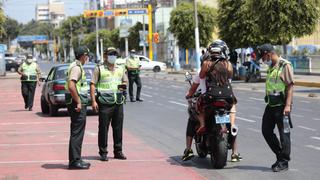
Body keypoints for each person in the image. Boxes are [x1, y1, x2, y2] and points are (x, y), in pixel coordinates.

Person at [199, 39, 242, 162]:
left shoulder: (207, 63)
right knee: (233, 105)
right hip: (227, 95)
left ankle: (202, 125)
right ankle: (232, 125)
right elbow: (230, 75)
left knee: (199, 105)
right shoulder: (227, 63)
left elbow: (201, 76)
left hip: (212, 95)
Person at [257, 44, 294, 172]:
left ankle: (284, 162)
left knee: (284, 135)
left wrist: (288, 106)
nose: (263, 59)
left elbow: (290, 87)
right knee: (266, 130)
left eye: (263, 56)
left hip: (282, 106)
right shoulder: (271, 66)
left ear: (269, 53)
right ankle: (280, 156)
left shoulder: (285, 65)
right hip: (271, 105)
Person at [90, 47, 128, 161]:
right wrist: (93, 101)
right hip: (104, 102)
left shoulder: (120, 68)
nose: (113, 56)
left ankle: (118, 151)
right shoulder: (99, 69)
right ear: (105, 56)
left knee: (118, 128)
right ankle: (103, 152)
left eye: (114, 54)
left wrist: (122, 88)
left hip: (118, 102)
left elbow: (125, 81)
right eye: (110, 54)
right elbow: (92, 84)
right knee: (103, 128)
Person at [65, 46, 91, 170]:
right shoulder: (76, 68)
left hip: (75, 103)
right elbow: (71, 85)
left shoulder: (76, 66)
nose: (88, 58)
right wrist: (79, 101)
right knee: (77, 133)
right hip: (77, 104)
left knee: (77, 132)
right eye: (87, 55)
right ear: (83, 56)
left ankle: (77, 158)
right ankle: (75, 161)